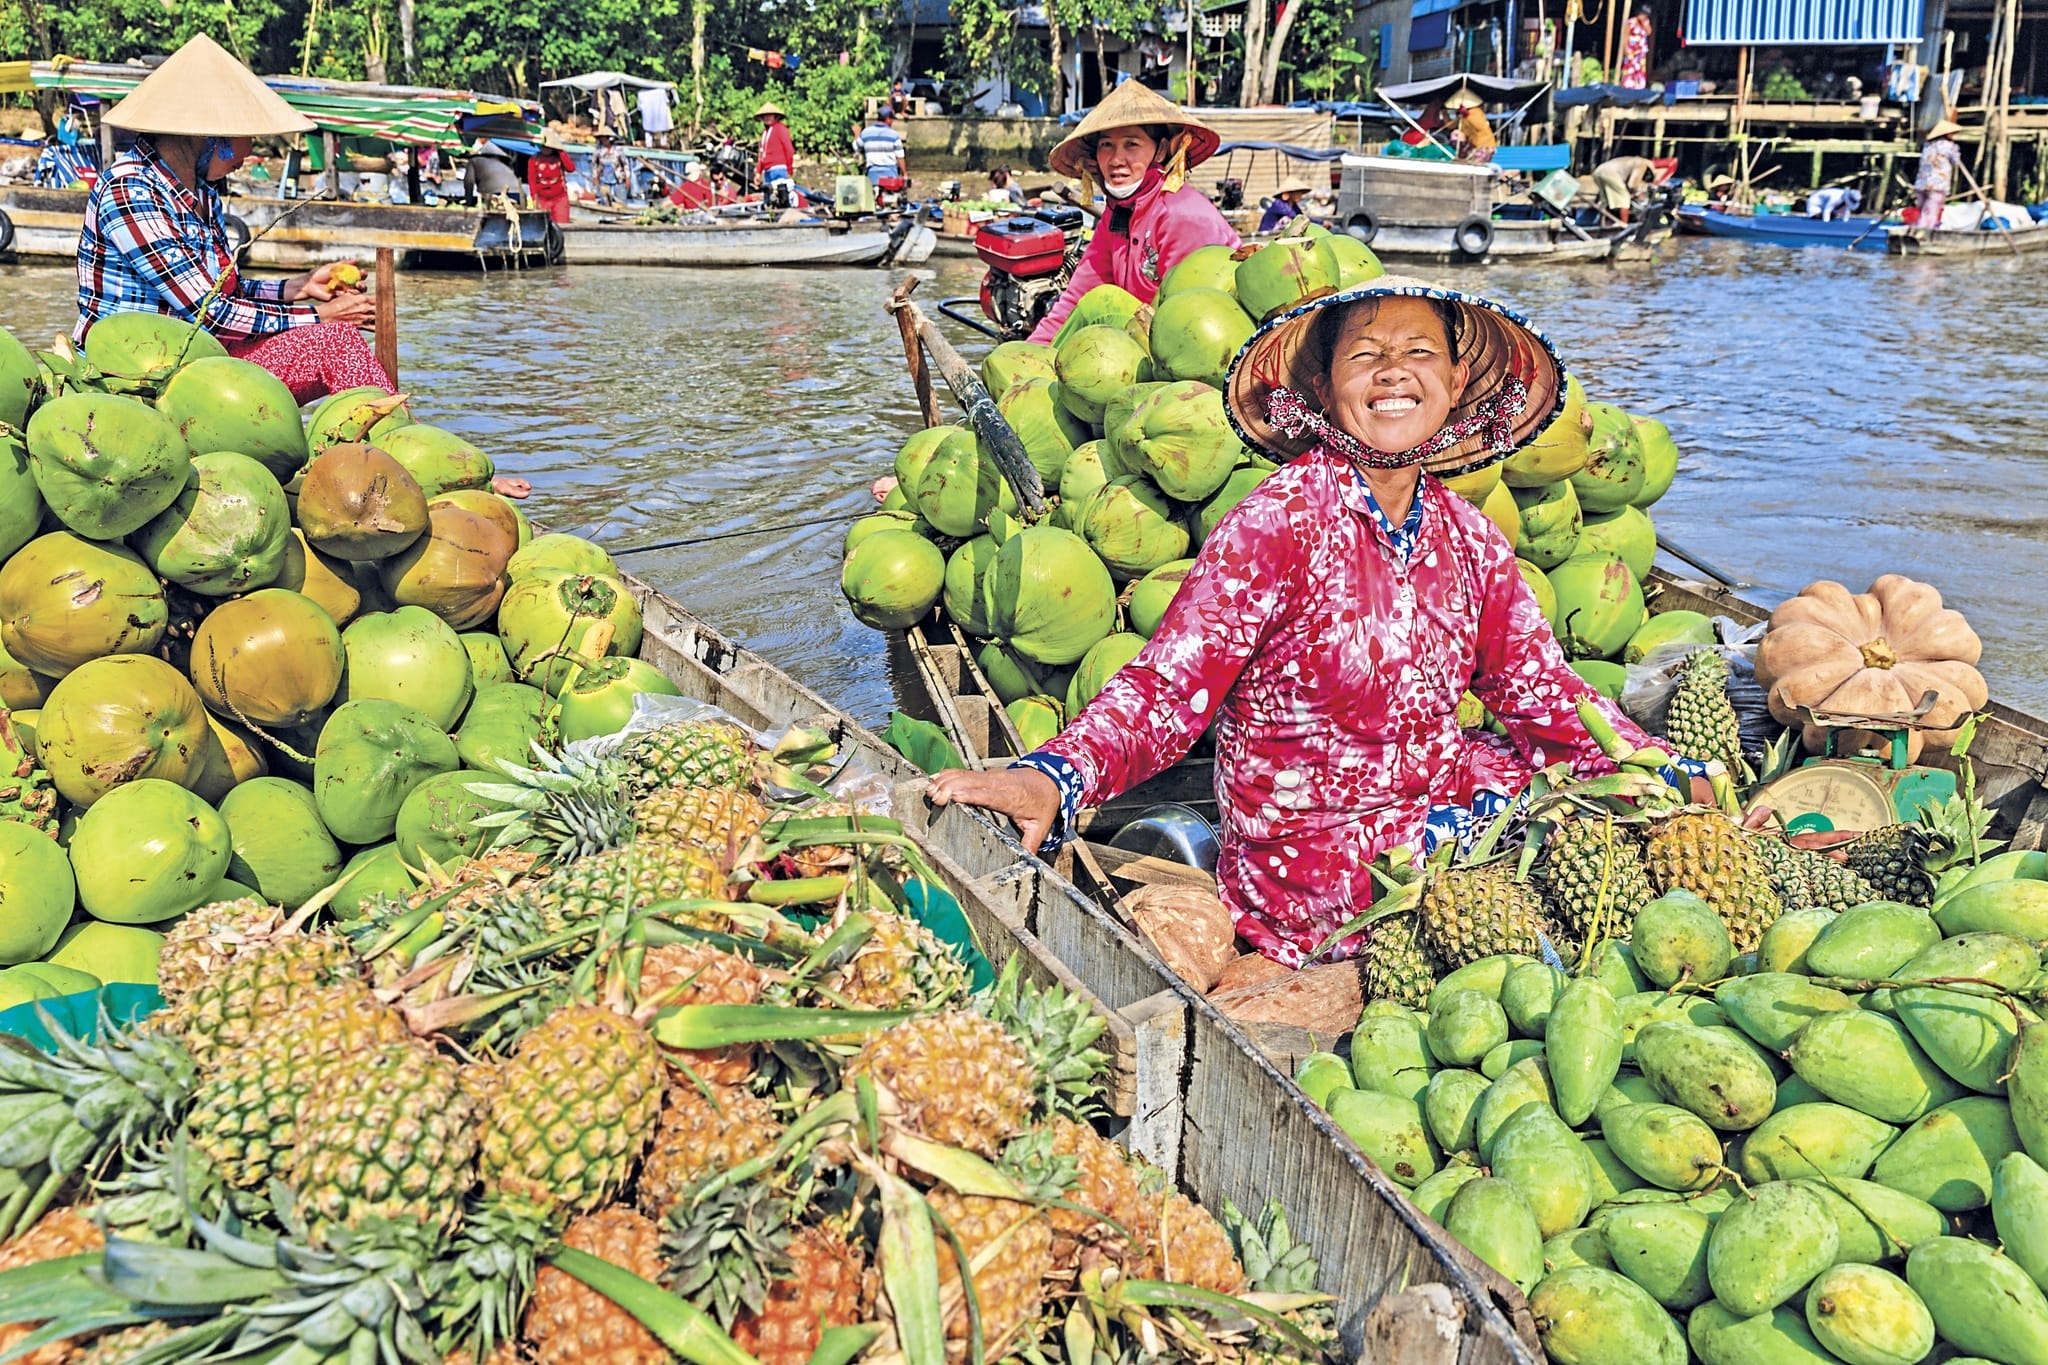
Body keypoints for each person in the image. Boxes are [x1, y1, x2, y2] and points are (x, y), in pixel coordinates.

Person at [930, 275, 1705, 964]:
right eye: (1366, 354)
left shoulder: (1469, 539)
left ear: (1458, 377)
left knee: (1555, 776)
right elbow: (1168, 689)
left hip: (1433, 828)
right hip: (1319, 871)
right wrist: (1052, 776)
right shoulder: (1280, 520)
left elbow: (1544, 694)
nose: (1395, 372)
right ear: (1326, 384)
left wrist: (1671, 777)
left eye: (1421, 353)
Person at [71, 33, 386, 406]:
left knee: (336, 340)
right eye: (244, 134)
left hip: (202, 361)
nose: (247, 152)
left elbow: (222, 291)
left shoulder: (202, 193)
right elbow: (212, 314)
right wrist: (321, 315)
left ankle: (384, 442)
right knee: (335, 341)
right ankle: (397, 441)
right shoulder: (131, 192)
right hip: (142, 378)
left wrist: (298, 289)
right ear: (209, 136)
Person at [1027, 80, 1240, 344]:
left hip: (1199, 344)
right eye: (1106, 145)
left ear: (1161, 149)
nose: (1116, 159)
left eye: (1131, 144)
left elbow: (1189, 321)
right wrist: (1029, 357)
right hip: (1146, 336)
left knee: (1105, 302)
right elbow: (1078, 297)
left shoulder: (1181, 215)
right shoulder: (1117, 213)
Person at [1915, 119, 1964, 231]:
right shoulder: (1948, 146)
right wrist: (1956, 150)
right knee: (1931, 212)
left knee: (1924, 211)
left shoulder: (1927, 145)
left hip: (1921, 183)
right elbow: (1956, 161)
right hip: (1937, 184)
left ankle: (1919, 229)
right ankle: (1924, 233)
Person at [1591, 153, 1660, 222]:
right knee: (1624, 199)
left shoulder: (1634, 160)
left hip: (1598, 171)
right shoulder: (1642, 164)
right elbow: (1632, 185)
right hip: (1610, 173)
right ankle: (1624, 225)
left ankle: (1603, 222)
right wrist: (1638, 193)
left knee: (1606, 200)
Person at [526, 130, 574, 224]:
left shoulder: (559, 158)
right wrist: (534, 199)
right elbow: (532, 181)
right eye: (543, 147)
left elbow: (571, 168)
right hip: (542, 198)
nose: (545, 149)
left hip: (560, 197)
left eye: (548, 147)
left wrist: (561, 152)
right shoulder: (533, 160)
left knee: (562, 224)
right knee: (545, 225)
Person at [856, 105, 908, 187]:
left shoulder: (865, 133)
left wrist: (856, 134)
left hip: (872, 174)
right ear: (887, 119)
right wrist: (904, 174)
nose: (892, 122)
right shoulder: (894, 135)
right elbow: (900, 157)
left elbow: (856, 148)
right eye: (892, 119)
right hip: (890, 175)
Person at [755, 102, 797, 199]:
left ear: (775, 116)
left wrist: (789, 169)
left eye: (770, 115)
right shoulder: (765, 134)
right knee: (769, 197)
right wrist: (758, 172)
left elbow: (789, 150)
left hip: (779, 169)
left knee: (779, 197)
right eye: (765, 116)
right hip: (768, 171)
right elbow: (762, 155)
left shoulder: (781, 129)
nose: (767, 118)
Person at [464, 138, 521, 203]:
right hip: (516, 192)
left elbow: (469, 182)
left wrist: (468, 201)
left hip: (493, 193)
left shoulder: (473, 161)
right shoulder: (505, 159)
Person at [1450, 96, 1497, 164]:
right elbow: (1452, 126)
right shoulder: (1461, 115)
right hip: (1472, 145)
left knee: (1475, 164)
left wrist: (1467, 115)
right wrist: (1444, 112)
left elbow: (1480, 126)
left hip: (1484, 145)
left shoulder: (1475, 111)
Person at [1620, 5, 1654, 89]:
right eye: (1642, 14)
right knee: (1630, 68)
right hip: (1631, 50)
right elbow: (1625, 36)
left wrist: (1644, 23)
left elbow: (1649, 32)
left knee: (1640, 69)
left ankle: (1639, 87)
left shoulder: (1646, 22)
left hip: (1641, 52)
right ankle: (1628, 86)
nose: (1643, 17)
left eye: (1645, 15)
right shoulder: (1631, 22)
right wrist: (1625, 48)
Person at [594, 131, 628, 206]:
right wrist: (595, 177)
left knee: (621, 202)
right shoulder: (599, 150)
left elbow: (625, 164)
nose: (603, 140)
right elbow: (595, 165)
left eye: (604, 138)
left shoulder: (618, 150)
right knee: (604, 200)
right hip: (604, 179)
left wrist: (627, 178)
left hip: (617, 179)